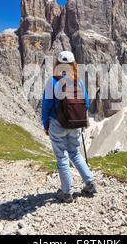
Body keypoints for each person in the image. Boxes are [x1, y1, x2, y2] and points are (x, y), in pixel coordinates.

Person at [41, 51, 97, 203]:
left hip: (57, 124)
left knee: (62, 158)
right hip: (75, 124)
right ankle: (90, 183)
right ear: (73, 64)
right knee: (75, 153)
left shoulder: (52, 81)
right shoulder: (78, 81)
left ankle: (66, 193)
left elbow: (46, 106)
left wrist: (46, 125)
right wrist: (76, 118)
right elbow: (85, 103)